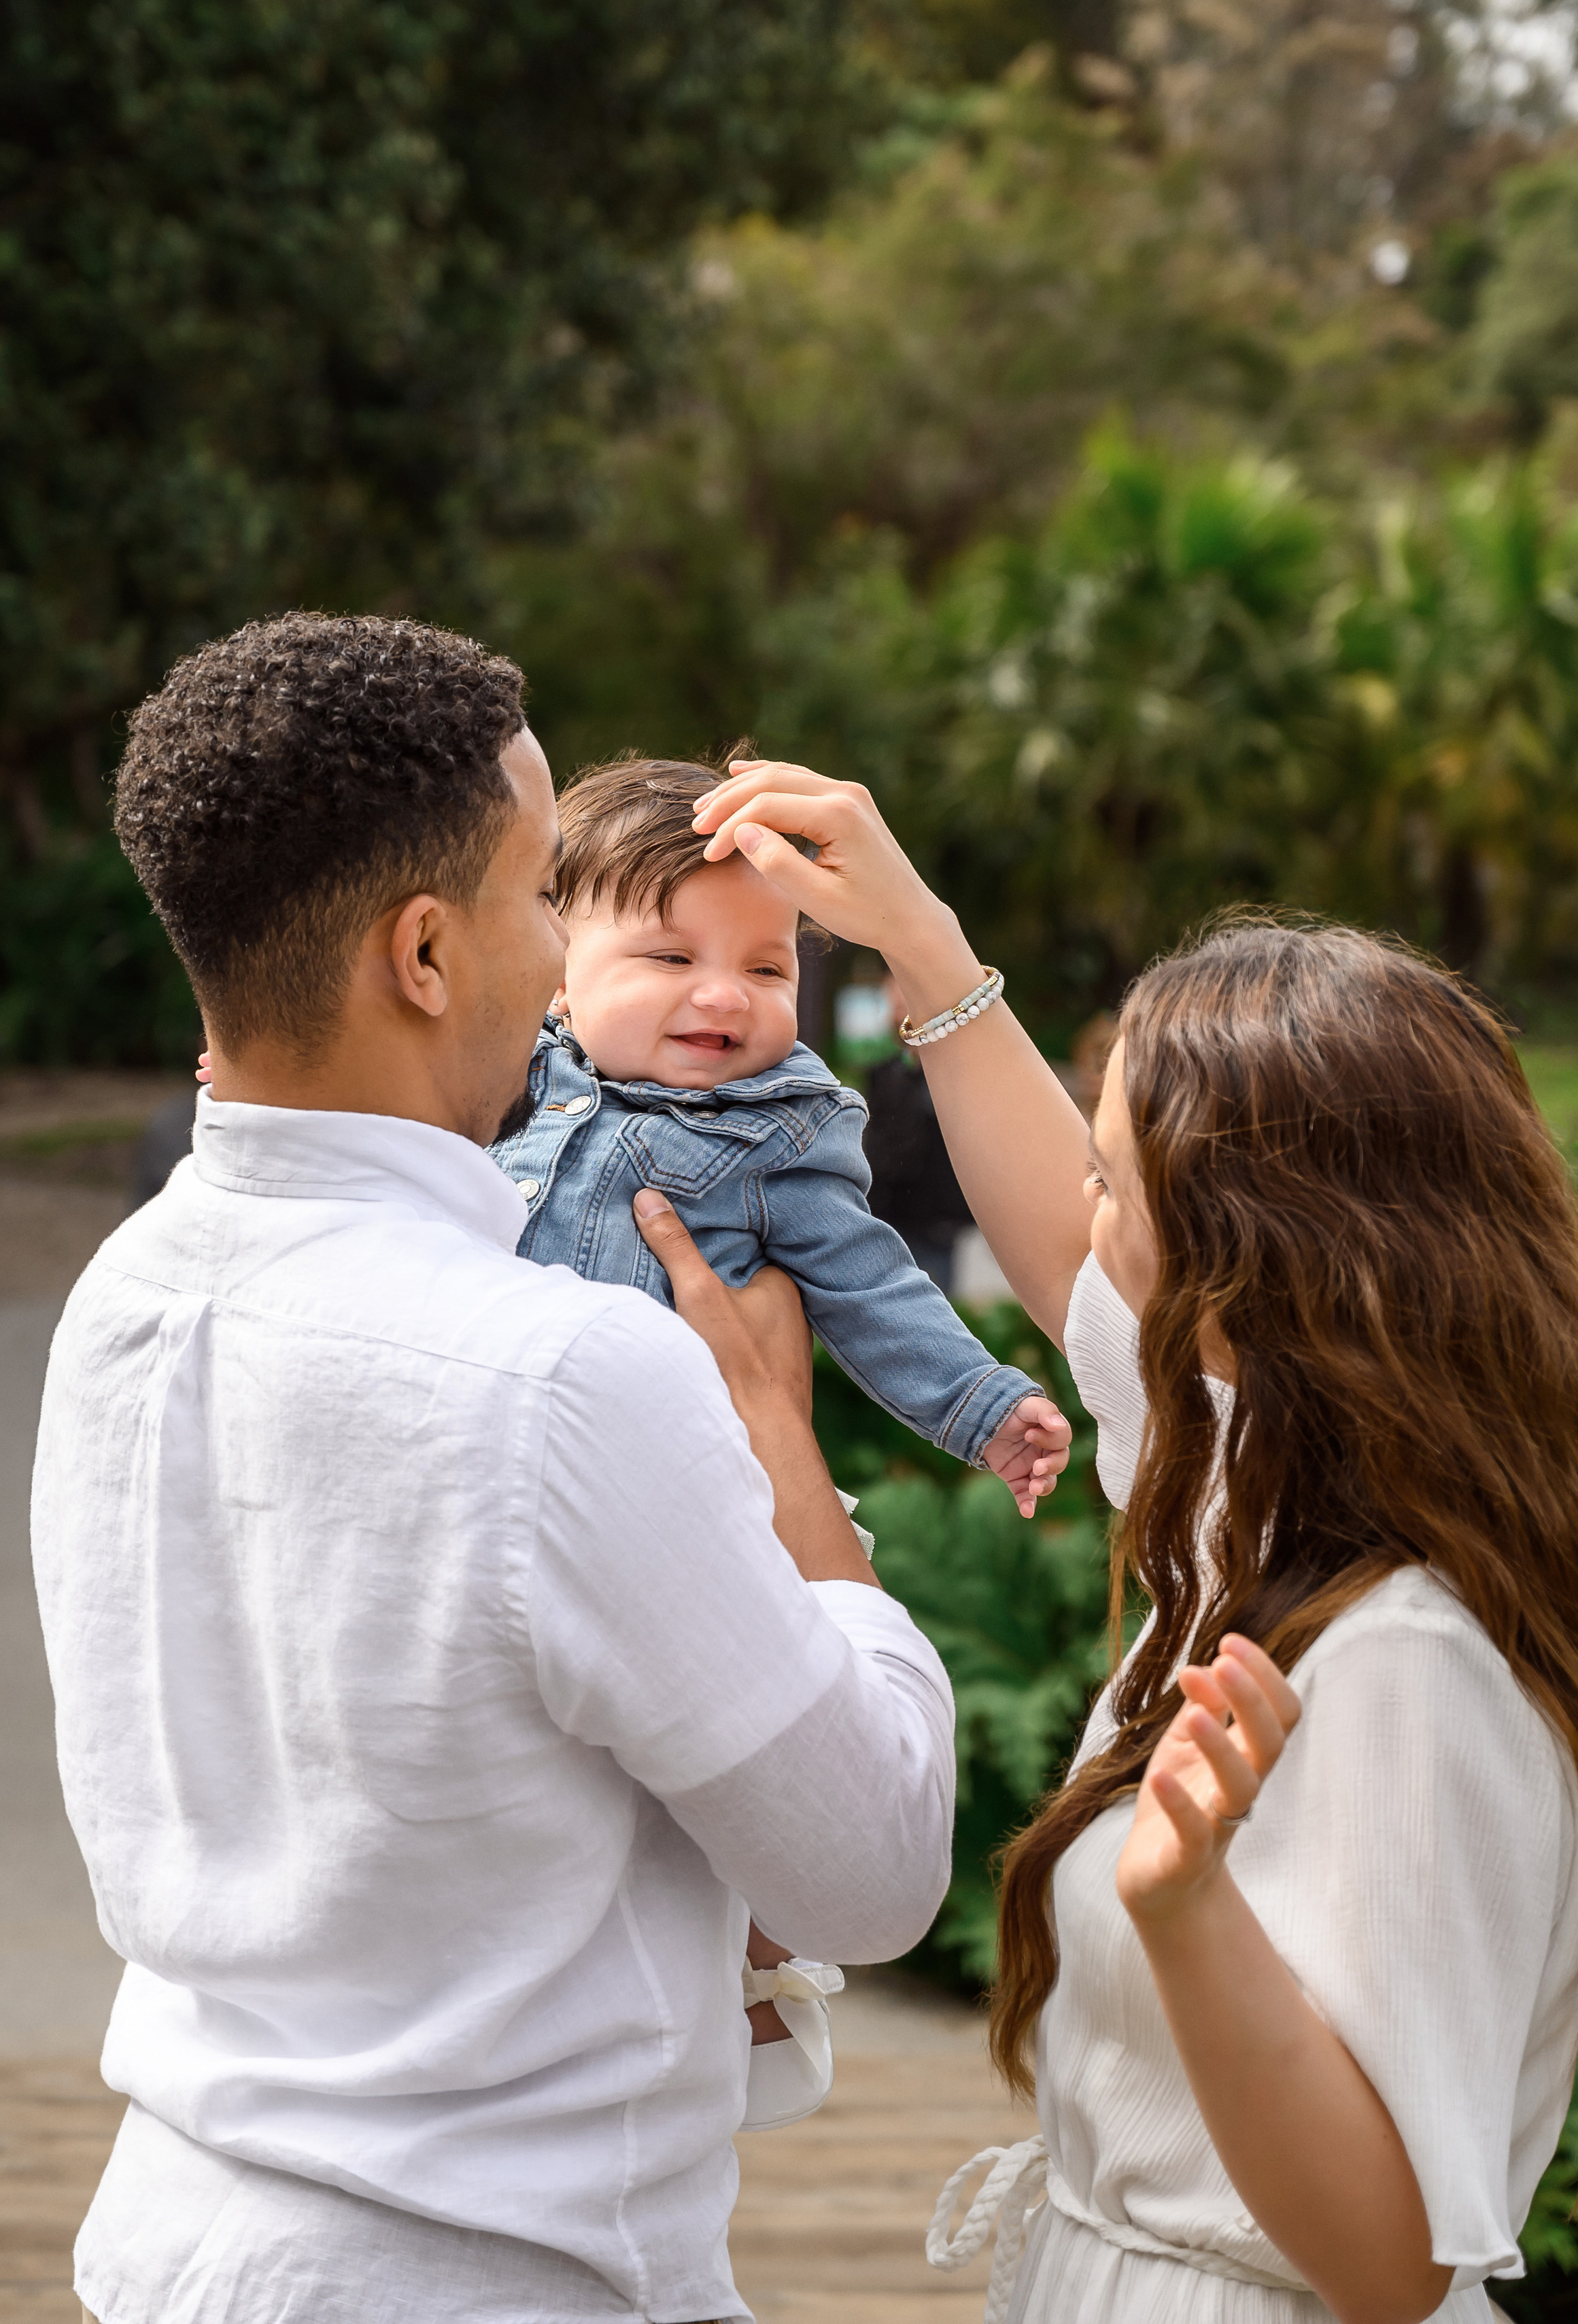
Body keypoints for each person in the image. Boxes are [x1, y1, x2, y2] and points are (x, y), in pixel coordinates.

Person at [685, 759, 1578, 2324]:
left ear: (1251, 1260)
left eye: (1120, 1179)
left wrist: (1185, 1913)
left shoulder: (1408, 1666)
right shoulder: (1289, 1484)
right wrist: (915, 936)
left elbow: (1388, 2259)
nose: (1083, 1217)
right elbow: (1060, 1251)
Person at [32, 621, 957, 2324]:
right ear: (427, 956)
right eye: (546, 891)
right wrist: (789, 1466)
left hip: (170, 2247)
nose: (562, 949)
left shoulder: (123, 1295)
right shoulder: (563, 1374)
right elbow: (872, 1865)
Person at [490, 752, 1071, 1514]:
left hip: (645, 1489)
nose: (725, 994)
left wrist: (981, 1405)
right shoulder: (500, 1065)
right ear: (559, 971)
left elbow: (867, 1284)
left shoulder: (779, 1128)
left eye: (767, 970)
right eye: (672, 956)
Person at [861, 975, 974, 1295]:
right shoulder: (883, 1073)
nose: (899, 1015)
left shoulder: (951, 1075)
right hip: (887, 1216)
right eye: (894, 1005)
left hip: (934, 1223)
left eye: (904, 1003)